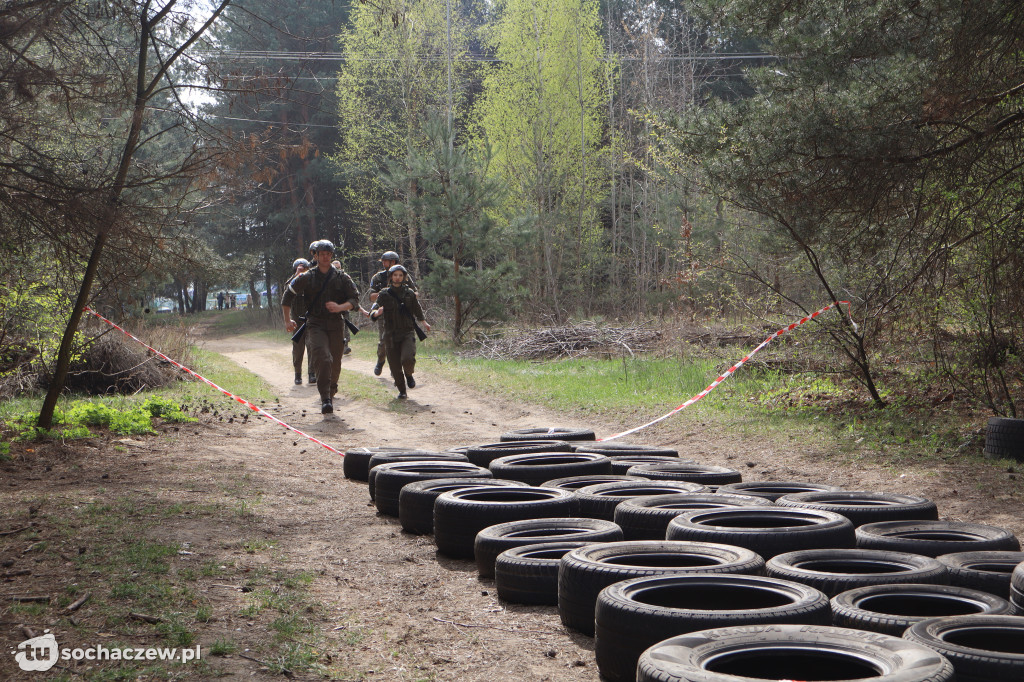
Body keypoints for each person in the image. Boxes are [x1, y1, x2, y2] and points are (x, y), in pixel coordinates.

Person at [282, 240, 360, 414]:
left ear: (331, 256)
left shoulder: (342, 277)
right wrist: (287, 320)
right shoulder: (306, 277)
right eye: (321, 254)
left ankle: (331, 391)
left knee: (335, 362)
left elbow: (355, 300)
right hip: (315, 324)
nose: (325, 257)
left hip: (336, 324)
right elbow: (288, 296)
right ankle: (325, 398)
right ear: (315, 256)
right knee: (322, 357)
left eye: (328, 254)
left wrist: (340, 307)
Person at [369, 264, 429, 399]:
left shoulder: (409, 293)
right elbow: (374, 308)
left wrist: (424, 322)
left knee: (407, 358)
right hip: (390, 334)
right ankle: (402, 391)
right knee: (395, 367)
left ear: (404, 277)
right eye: (395, 275)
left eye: (400, 275)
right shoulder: (384, 294)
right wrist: (376, 313)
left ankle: (409, 374)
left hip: (407, 332)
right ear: (391, 277)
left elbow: (417, 309)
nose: (397, 278)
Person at [367, 250, 416, 376]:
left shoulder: (404, 276)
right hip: (384, 314)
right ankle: (381, 360)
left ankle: (396, 370)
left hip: (402, 314)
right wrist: (388, 293)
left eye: (386, 261)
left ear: (393, 262)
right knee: (385, 342)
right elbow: (371, 296)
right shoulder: (378, 277)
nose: (383, 263)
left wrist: (405, 295)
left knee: (401, 342)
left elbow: (415, 293)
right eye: (383, 261)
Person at [286, 258, 315, 385]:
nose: (302, 270)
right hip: (297, 322)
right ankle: (298, 374)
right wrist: (296, 276)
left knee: (312, 346)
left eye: (304, 268)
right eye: (299, 268)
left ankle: (312, 374)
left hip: (311, 320)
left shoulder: (312, 280)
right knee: (298, 349)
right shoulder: (291, 282)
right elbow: (287, 292)